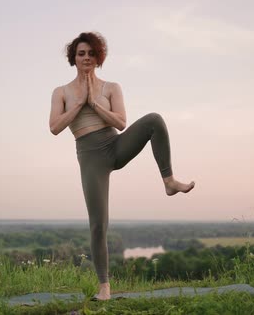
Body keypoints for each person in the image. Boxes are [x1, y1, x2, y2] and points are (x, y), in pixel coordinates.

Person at [48, 32, 195, 300]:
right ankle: (104, 286)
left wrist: (94, 103)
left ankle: (169, 181)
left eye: (91, 53)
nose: (86, 58)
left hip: (115, 146)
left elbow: (121, 122)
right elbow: (55, 127)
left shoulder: (111, 87)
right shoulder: (62, 92)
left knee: (154, 120)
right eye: (81, 53)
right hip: (91, 157)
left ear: (98, 57)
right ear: (74, 57)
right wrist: (80, 103)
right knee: (98, 224)